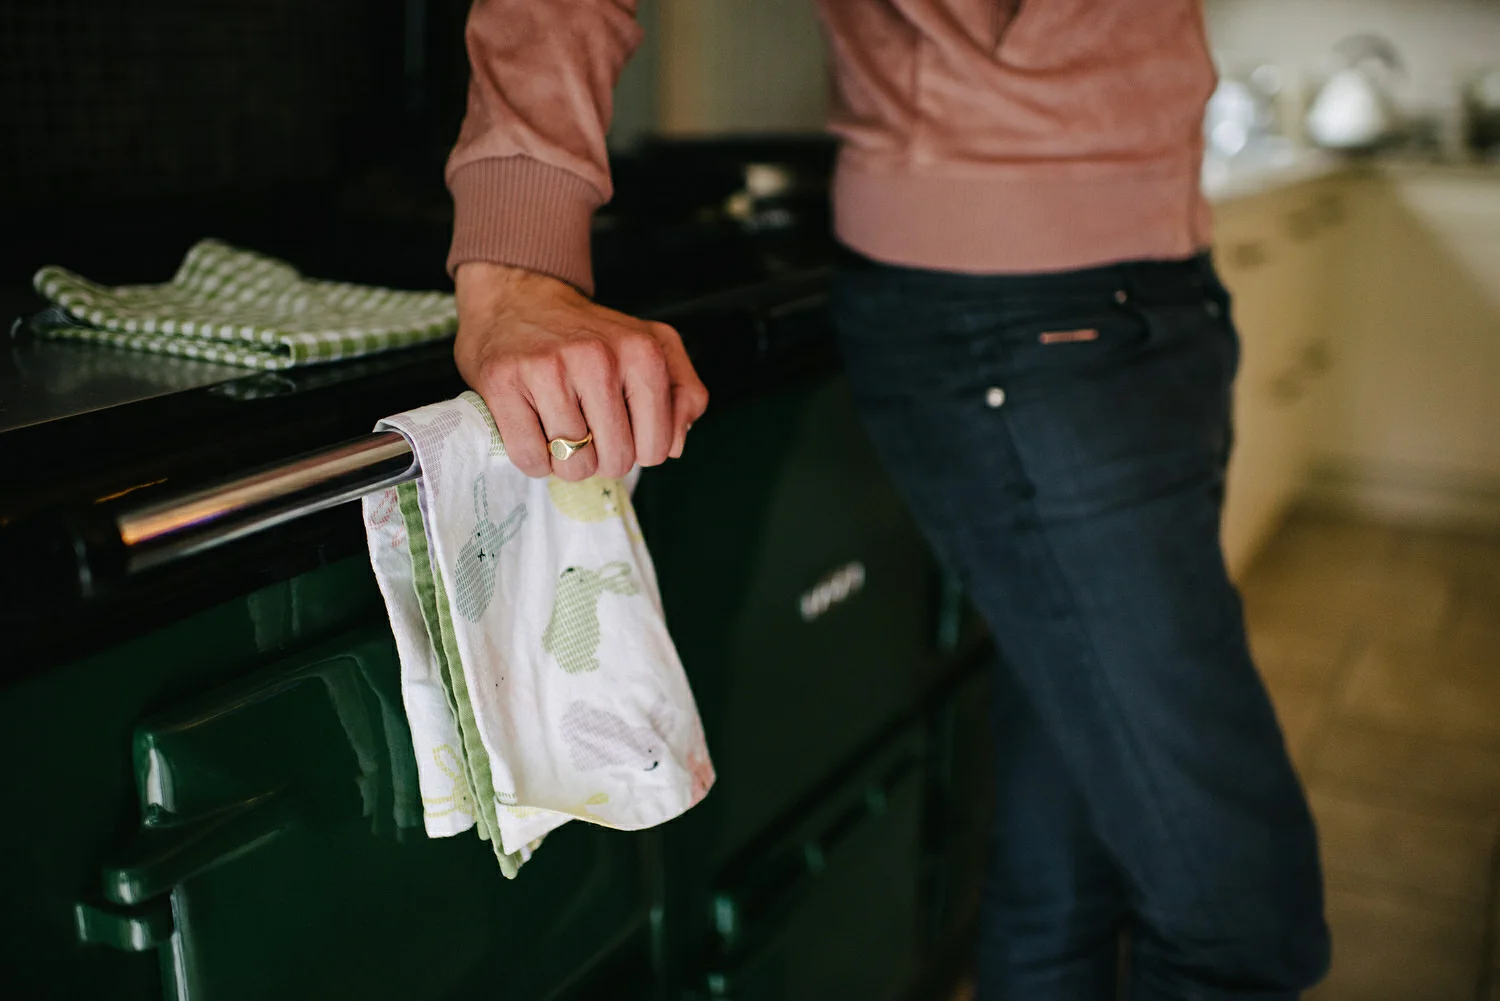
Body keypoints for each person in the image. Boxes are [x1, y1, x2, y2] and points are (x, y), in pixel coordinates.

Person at [445, 2, 1331, 998]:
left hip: (1158, 296)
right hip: (1019, 316)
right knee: (1243, 918)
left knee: (1075, 838)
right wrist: (515, 270)